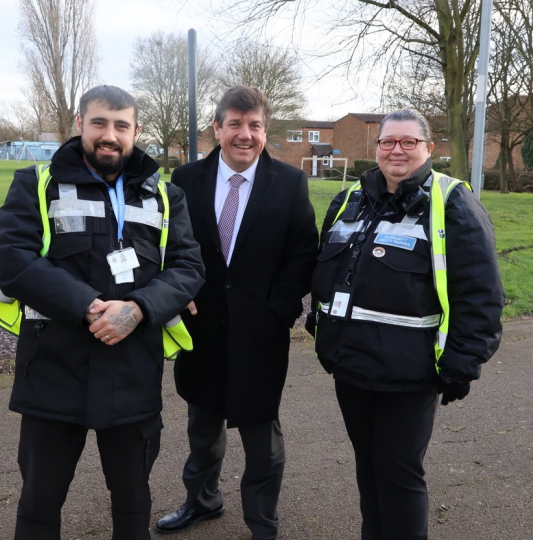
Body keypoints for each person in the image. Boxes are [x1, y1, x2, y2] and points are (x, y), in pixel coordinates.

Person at [0, 85, 205, 540]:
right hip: (53, 372)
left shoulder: (166, 196)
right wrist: (87, 307)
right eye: (100, 123)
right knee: (39, 504)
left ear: (135, 131)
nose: (110, 135)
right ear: (79, 124)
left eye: (121, 126)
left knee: (132, 505)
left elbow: (189, 267)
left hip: (132, 374)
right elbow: (13, 261)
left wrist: (139, 308)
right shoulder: (37, 182)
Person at [308, 108, 503, 540]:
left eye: (408, 142)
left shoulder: (451, 201)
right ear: (376, 148)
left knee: (398, 475)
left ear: (429, 149)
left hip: (408, 374)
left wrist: (461, 363)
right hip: (351, 367)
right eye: (388, 142)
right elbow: (328, 273)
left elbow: (481, 293)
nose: (397, 150)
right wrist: (318, 324)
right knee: (368, 469)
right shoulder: (349, 201)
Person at [155, 86, 319, 540]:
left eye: (255, 126)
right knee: (202, 427)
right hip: (202, 329)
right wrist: (172, 291)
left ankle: (262, 522)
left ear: (265, 129)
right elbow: (162, 243)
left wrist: (278, 311)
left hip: (260, 331)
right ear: (217, 128)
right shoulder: (185, 179)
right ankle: (202, 500)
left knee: (262, 438)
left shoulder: (288, 183)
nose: (245, 135)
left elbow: (303, 254)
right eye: (235, 124)